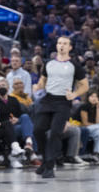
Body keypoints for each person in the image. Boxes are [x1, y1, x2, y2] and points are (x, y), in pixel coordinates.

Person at [32, 37, 88, 179]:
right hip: (48, 99)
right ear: (56, 46)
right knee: (38, 130)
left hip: (63, 102)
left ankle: (50, 166)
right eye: (59, 43)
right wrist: (37, 86)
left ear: (70, 47)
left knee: (55, 133)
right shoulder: (49, 63)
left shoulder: (74, 65)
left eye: (65, 44)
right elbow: (43, 80)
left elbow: (85, 86)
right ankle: (45, 160)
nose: (61, 46)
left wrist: (74, 94)